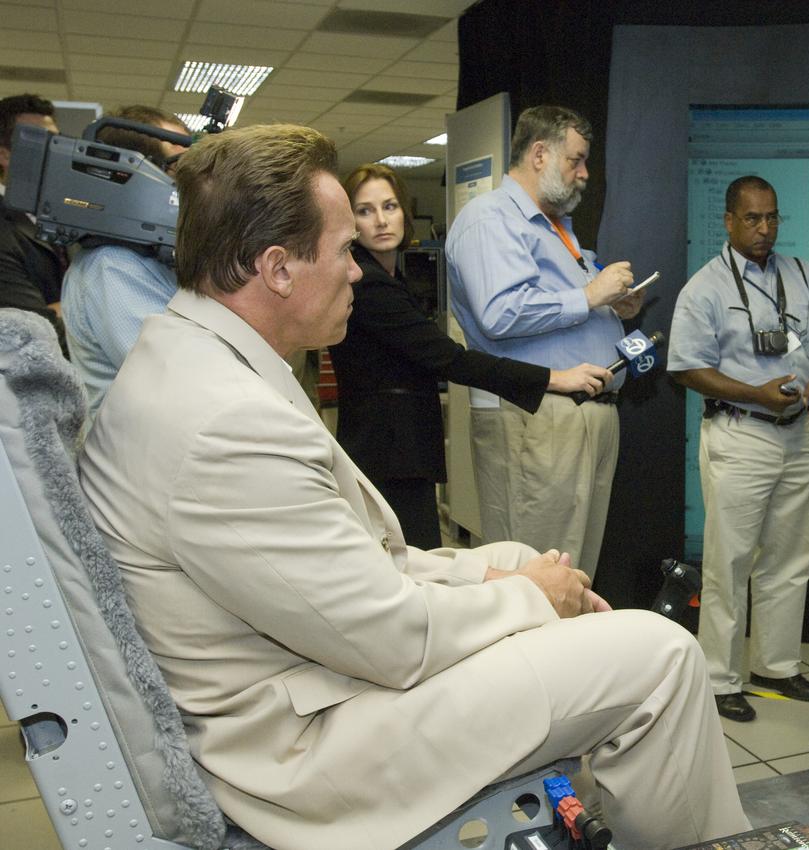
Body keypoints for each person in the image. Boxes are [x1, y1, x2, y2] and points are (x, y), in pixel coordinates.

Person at [77, 123, 748, 850]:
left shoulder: (189, 359)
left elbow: (348, 569)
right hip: (304, 748)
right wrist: (525, 598)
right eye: (343, 252)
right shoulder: (223, 422)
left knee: (525, 555)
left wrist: (496, 573)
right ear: (276, 269)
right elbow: (391, 638)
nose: (358, 272)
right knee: (662, 657)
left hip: (304, 679)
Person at [328, 163, 611, 548]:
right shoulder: (370, 284)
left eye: (389, 206)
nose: (380, 220)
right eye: (365, 210)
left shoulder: (390, 276)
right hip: (387, 451)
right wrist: (552, 377)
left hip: (400, 447)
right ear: (351, 222)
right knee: (411, 563)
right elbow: (449, 359)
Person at [445, 105, 643, 578]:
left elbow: (564, 307)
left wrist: (614, 308)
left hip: (582, 418)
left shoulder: (557, 228)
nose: (584, 174)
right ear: (539, 154)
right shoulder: (489, 220)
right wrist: (591, 294)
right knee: (538, 576)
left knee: (573, 576)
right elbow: (500, 313)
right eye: (575, 160)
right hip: (538, 418)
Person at [668, 176, 809, 722]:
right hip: (741, 432)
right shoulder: (705, 288)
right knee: (729, 561)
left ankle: (776, 665)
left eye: (772, 218)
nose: (764, 229)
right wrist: (754, 393)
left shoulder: (803, 275)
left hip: (798, 434)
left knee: (791, 558)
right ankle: (719, 678)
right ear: (729, 220)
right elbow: (688, 369)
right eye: (752, 219)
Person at [60, 105, 190, 418]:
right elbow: (184, 380)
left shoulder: (151, 256)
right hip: (137, 455)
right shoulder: (114, 265)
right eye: (179, 169)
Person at [0, 93, 64, 352]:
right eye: (41, 142)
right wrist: (84, 306)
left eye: (57, 141)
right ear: (4, 155)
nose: (56, 152)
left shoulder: (58, 214)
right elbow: (26, 335)